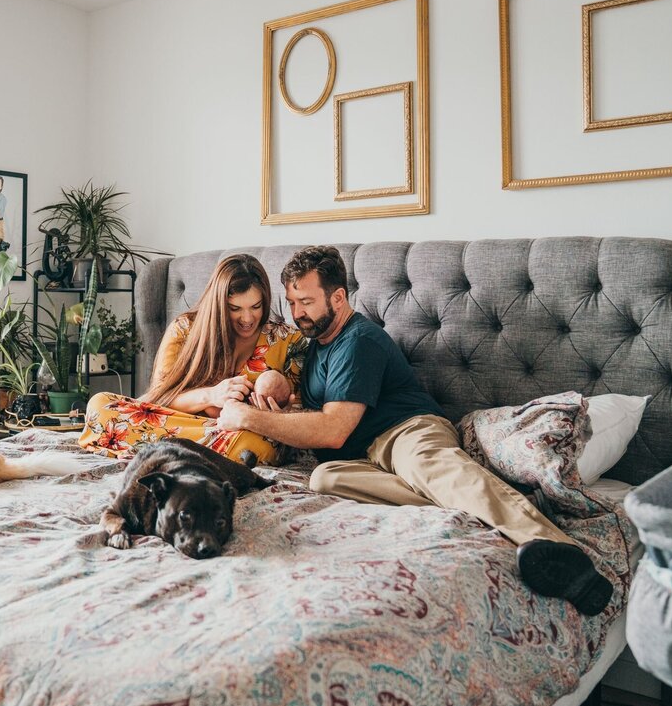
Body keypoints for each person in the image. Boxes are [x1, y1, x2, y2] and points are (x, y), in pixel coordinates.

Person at [215, 245, 614, 615]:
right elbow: (327, 413)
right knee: (323, 479)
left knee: (435, 472)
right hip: (363, 457)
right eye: (291, 302)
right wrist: (282, 397)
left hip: (405, 432)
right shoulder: (317, 344)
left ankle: (561, 553)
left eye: (306, 302)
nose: (298, 312)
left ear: (337, 298)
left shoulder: (359, 340)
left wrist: (245, 417)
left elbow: (334, 429)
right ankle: (510, 503)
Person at [80, 254, 307, 465]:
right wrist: (211, 395)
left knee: (254, 446)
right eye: (235, 308)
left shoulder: (287, 340)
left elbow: (300, 417)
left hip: (243, 434)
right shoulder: (185, 330)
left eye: (256, 307)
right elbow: (158, 398)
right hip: (186, 425)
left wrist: (280, 413)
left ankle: (159, 452)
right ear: (218, 304)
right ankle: (192, 456)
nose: (247, 318)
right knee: (100, 406)